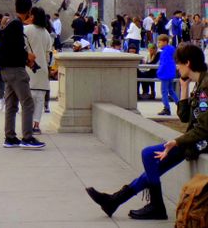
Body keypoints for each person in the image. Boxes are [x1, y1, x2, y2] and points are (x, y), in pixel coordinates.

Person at [86, 42, 208, 221]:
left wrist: (177, 141)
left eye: (178, 63)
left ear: (187, 63)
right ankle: (114, 201)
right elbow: (184, 117)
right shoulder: (199, 84)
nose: (176, 67)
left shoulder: (205, 87)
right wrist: (183, 88)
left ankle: (155, 206)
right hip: (196, 140)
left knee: (149, 155)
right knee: (154, 162)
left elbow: (204, 128)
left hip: (201, 142)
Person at [0, 0, 45, 149]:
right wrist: (28, 56)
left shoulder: (11, 22)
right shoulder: (17, 25)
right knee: (28, 103)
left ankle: (10, 137)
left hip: (6, 69)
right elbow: (17, 49)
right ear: (29, 10)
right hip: (16, 70)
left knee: (11, 104)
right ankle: (27, 137)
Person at [24, 7, 53, 135]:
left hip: (29, 68)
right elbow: (48, 55)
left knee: (27, 99)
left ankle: (28, 124)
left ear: (33, 16)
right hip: (42, 69)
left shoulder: (26, 29)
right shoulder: (46, 33)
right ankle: (36, 125)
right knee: (40, 100)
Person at [157, 34, 179, 116]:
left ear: (165, 42)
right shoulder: (171, 49)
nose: (158, 44)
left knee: (164, 92)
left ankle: (166, 108)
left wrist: (159, 72)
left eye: (159, 42)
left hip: (165, 74)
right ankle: (180, 105)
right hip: (171, 73)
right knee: (171, 90)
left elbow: (164, 63)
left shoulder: (164, 52)